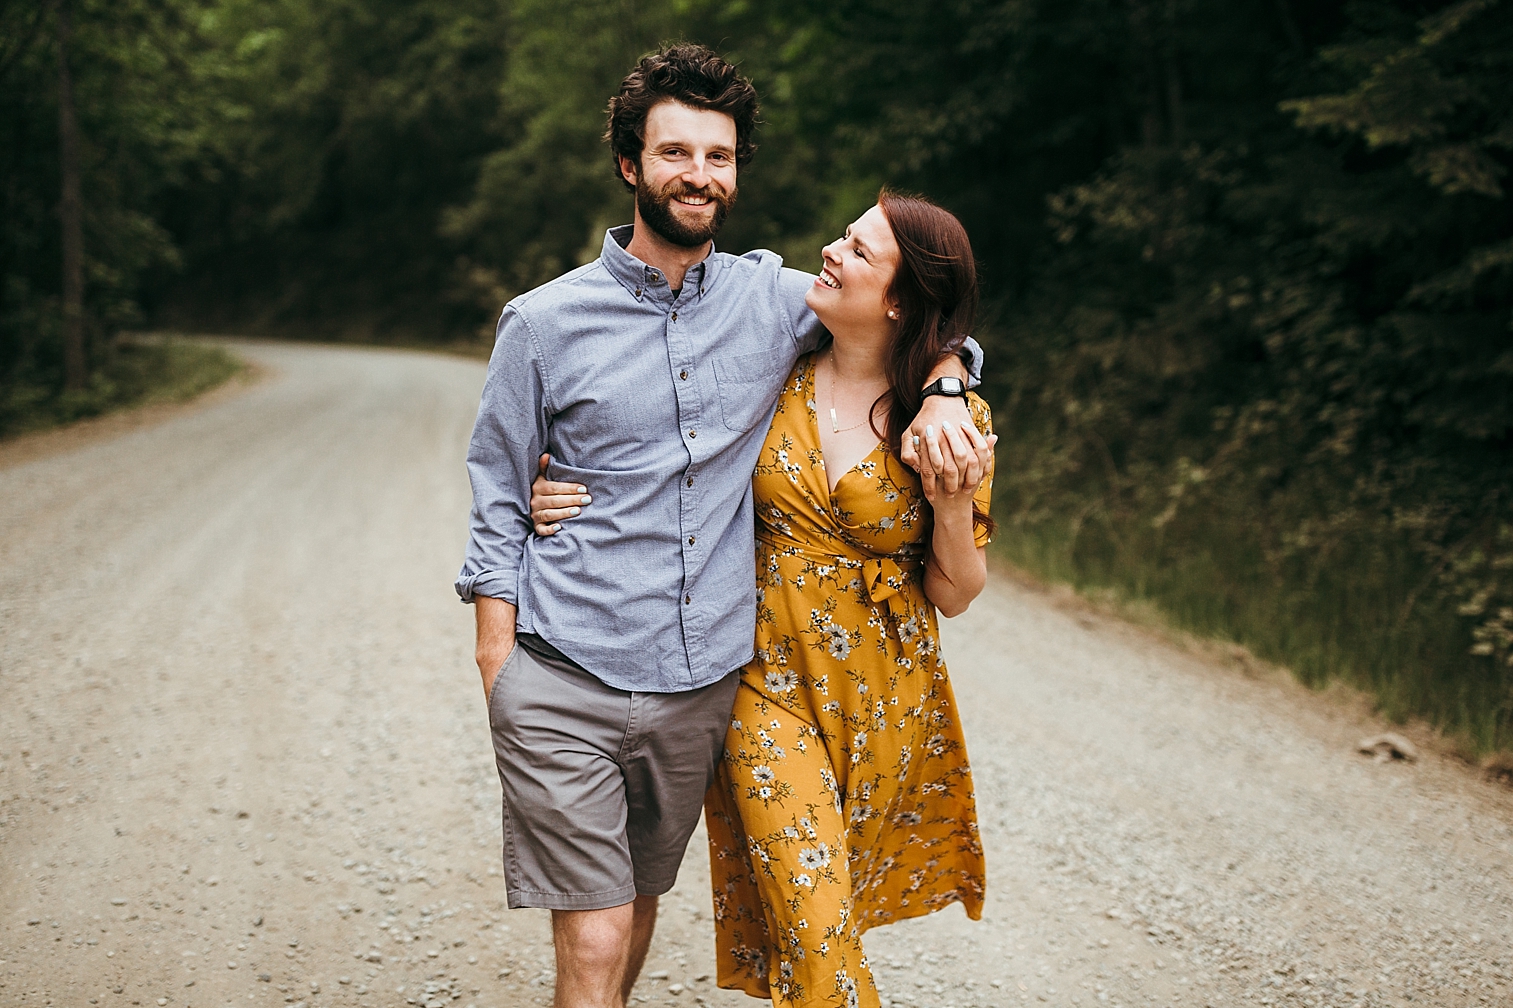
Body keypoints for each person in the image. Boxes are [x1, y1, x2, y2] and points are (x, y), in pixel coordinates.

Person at [455, 45, 983, 1008]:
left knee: (638, 900)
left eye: (719, 156)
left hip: (698, 684)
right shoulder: (541, 323)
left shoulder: (776, 301)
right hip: (562, 660)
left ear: (735, 170)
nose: (697, 175)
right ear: (630, 163)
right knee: (598, 924)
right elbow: (496, 488)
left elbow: (912, 313)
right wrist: (497, 656)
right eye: (674, 152)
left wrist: (949, 382)